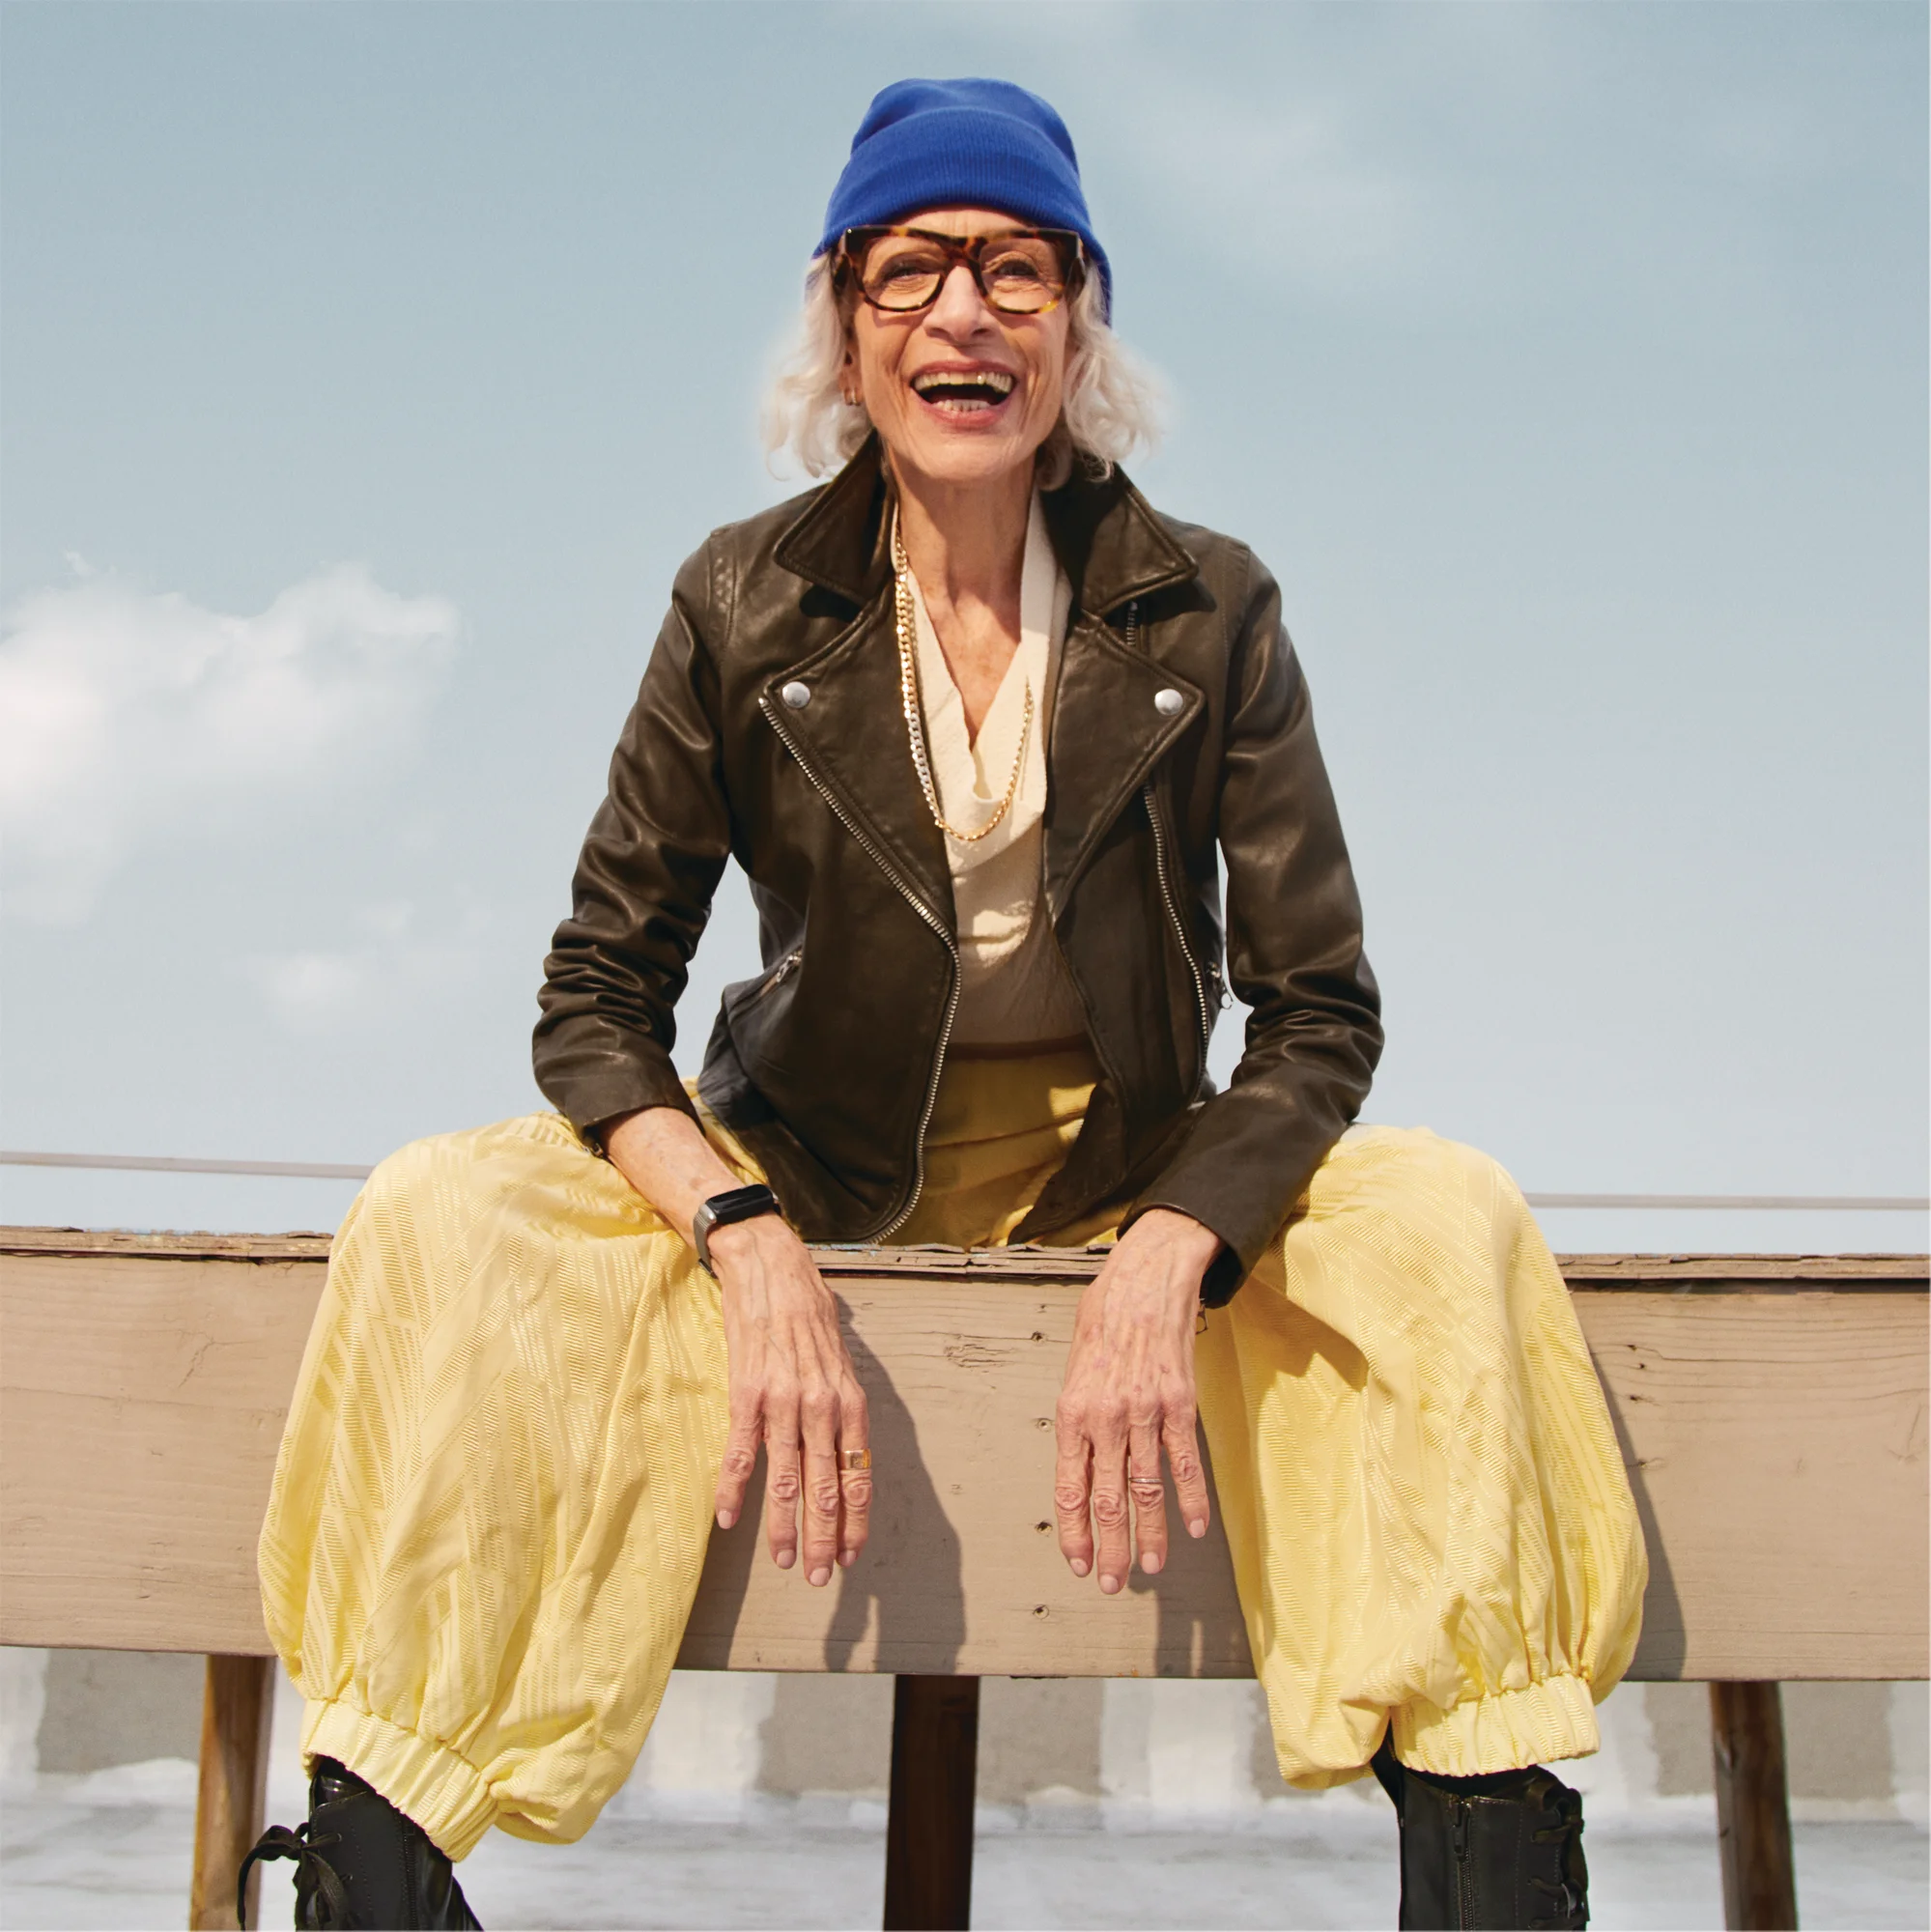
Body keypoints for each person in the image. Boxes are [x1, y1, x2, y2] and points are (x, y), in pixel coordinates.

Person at [243, 77, 1644, 1932]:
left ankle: (1489, 1857)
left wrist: (1171, 1251)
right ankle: (375, 1862)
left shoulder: (1206, 607)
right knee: (447, 1203)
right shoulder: (740, 602)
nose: (962, 315)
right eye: (909, 272)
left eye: (1013, 268)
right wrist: (741, 1237)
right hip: (804, 1156)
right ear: (843, 327)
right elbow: (595, 996)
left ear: (1079, 321)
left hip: (1130, 1158)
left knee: (1441, 1211)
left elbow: (1315, 1016)